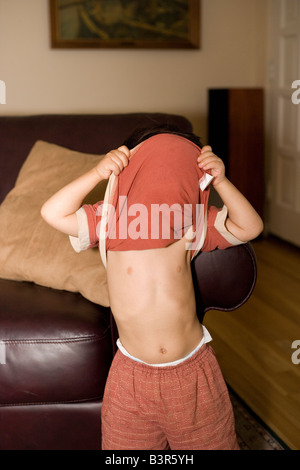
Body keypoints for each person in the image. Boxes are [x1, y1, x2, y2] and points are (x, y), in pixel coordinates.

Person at [41, 124, 263, 450]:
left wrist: (221, 181)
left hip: (193, 375)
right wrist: (98, 173)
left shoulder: (191, 223)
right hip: (130, 377)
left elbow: (250, 226)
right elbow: (52, 212)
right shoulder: (111, 218)